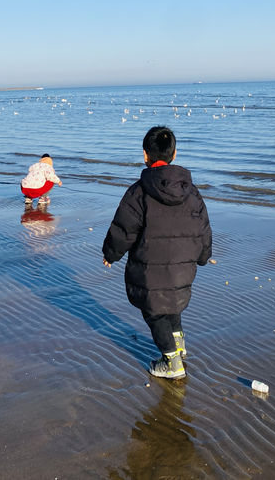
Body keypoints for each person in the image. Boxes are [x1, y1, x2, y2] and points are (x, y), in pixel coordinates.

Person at [102, 126, 212, 380]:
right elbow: (203, 226)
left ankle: (172, 362)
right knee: (172, 305)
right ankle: (179, 345)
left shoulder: (139, 191)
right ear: (175, 154)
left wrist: (110, 253)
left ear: (145, 155)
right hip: (183, 268)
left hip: (150, 271)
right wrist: (204, 255)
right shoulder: (191, 192)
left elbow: (123, 228)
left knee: (156, 313)